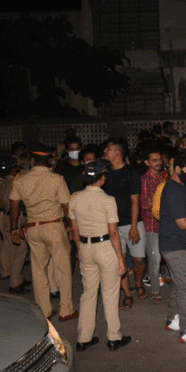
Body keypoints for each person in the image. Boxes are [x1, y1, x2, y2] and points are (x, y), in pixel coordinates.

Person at [10, 145, 77, 321]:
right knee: (62, 268)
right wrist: (70, 226)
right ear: (50, 161)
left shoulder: (20, 179)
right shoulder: (56, 179)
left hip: (32, 227)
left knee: (38, 270)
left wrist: (14, 228)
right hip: (53, 226)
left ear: (32, 161)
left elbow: (14, 206)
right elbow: (66, 205)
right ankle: (66, 309)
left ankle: (45, 309)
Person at [69, 161, 131, 352]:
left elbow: (74, 228)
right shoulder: (108, 200)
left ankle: (83, 338)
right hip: (105, 247)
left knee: (88, 294)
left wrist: (80, 249)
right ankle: (114, 337)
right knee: (110, 294)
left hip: (85, 247)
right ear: (102, 178)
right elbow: (113, 233)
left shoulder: (75, 198)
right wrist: (121, 260)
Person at [160, 150, 186, 345]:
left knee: (178, 283)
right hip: (177, 245)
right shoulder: (175, 190)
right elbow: (182, 223)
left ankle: (173, 319)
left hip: (176, 244)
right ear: (177, 169)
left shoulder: (180, 185)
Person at [102, 138, 147, 308]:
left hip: (132, 222)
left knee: (139, 260)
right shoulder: (105, 173)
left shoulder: (131, 172)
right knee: (119, 261)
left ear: (118, 152)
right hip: (113, 225)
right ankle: (127, 294)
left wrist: (134, 226)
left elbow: (135, 201)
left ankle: (139, 283)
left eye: (109, 148)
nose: (105, 151)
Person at [0, 155, 29, 293]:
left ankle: (17, 278)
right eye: (17, 167)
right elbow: (15, 204)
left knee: (14, 249)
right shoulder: (12, 183)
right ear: (13, 169)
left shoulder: (3, 182)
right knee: (21, 249)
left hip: (8, 216)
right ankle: (14, 281)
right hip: (14, 218)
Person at [140, 145, 168, 303]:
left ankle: (167, 281)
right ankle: (155, 291)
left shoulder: (164, 176)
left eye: (159, 159)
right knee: (155, 257)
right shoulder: (145, 179)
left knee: (167, 254)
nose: (158, 162)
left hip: (165, 222)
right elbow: (146, 204)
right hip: (152, 223)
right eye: (154, 160)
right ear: (147, 162)